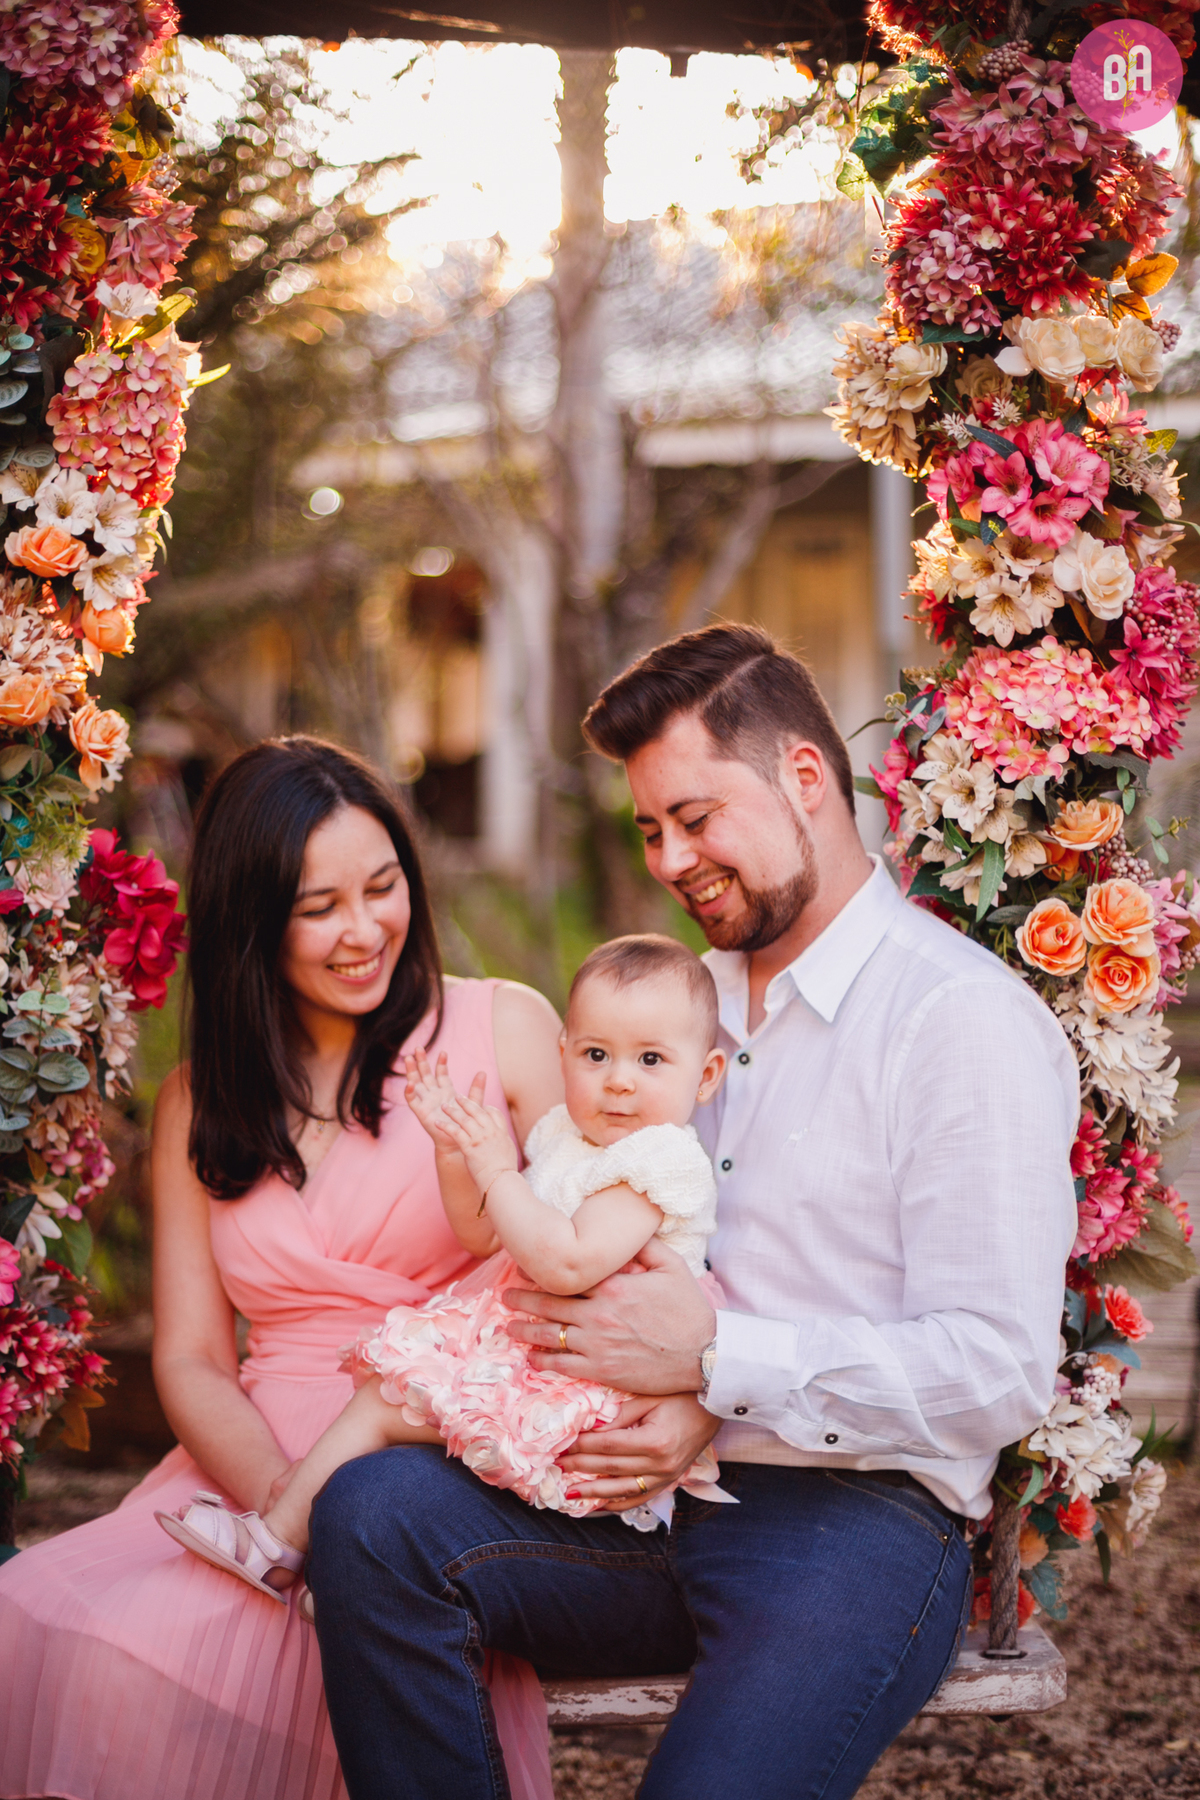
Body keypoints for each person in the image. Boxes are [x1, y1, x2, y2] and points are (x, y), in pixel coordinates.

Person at [308, 623, 1080, 1800]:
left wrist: (719, 1369)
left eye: (697, 816)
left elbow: (999, 1369)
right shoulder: (677, 1012)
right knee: (371, 1514)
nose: (671, 857)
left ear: (807, 780)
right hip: (635, 1496)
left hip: (855, 1525)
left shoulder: (955, 1021)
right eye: (650, 829)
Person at [0, 736, 563, 1800]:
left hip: (439, 1457)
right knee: (56, 1627)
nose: (366, 932)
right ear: (255, 925)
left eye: (384, 887)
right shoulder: (199, 1107)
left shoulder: (505, 1027)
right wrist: (281, 1512)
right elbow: (195, 1359)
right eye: (320, 908)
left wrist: (343, 1530)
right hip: (252, 1476)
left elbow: (588, 1239)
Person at [159, 934, 731, 1592]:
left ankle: (281, 1541)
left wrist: (497, 1167)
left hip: (594, 1383)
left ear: (706, 1074)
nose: (619, 1080)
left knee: (388, 1402)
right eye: (596, 1054)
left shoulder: (660, 1159)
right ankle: (341, 1570)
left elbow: (568, 1263)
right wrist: (456, 1157)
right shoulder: (565, 1139)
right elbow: (486, 1235)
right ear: (564, 1052)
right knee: (387, 1404)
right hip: (543, 1356)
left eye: (651, 1059)